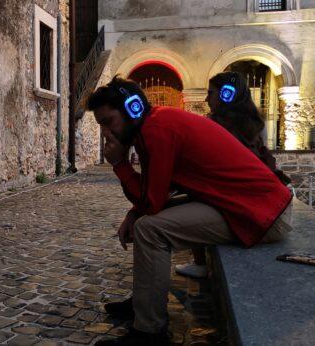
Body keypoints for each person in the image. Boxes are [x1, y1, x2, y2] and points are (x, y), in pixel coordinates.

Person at [89, 77, 293, 345]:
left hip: (261, 214)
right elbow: (157, 192)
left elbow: (151, 203)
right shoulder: (155, 125)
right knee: (146, 223)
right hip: (249, 204)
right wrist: (132, 212)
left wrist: (120, 165)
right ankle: (143, 303)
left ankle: (149, 334)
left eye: (107, 122)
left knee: (150, 230)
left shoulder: (157, 130)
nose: (105, 132)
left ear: (132, 109)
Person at [174, 72, 293, 279]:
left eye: (211, 93)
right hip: (259, 198)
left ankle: (200, 262)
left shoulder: (219, 127)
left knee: (193, 197)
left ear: (227, 95)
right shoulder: (254, 124)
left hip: (243, 201)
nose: (206, 99)